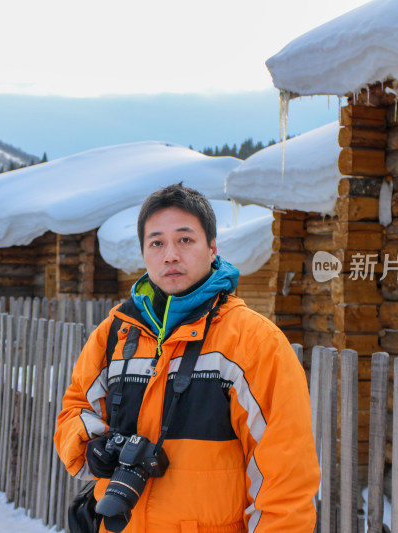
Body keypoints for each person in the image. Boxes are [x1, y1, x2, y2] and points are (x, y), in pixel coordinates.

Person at [54, 184, 319, 533]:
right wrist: (91, 446)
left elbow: (285, 479)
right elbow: (74, 410)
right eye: (157, 243)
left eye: (185, 240)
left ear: (212, 248)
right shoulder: (114, 334)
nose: (170, 255)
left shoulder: (254, 343)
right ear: (144, 252)